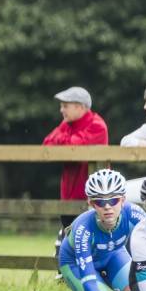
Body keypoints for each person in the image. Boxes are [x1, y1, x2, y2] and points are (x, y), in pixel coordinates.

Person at [42, 86, 108, 229]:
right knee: (68, 243)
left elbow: (72, 150)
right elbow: (47, 144)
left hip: (92, 200)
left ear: (80, 107)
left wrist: (62, 138)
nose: (61, 110)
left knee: (88, 244)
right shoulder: (67, 123)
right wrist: (66, 138)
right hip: (68, 198)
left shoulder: (97, 125)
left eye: (65, 106)